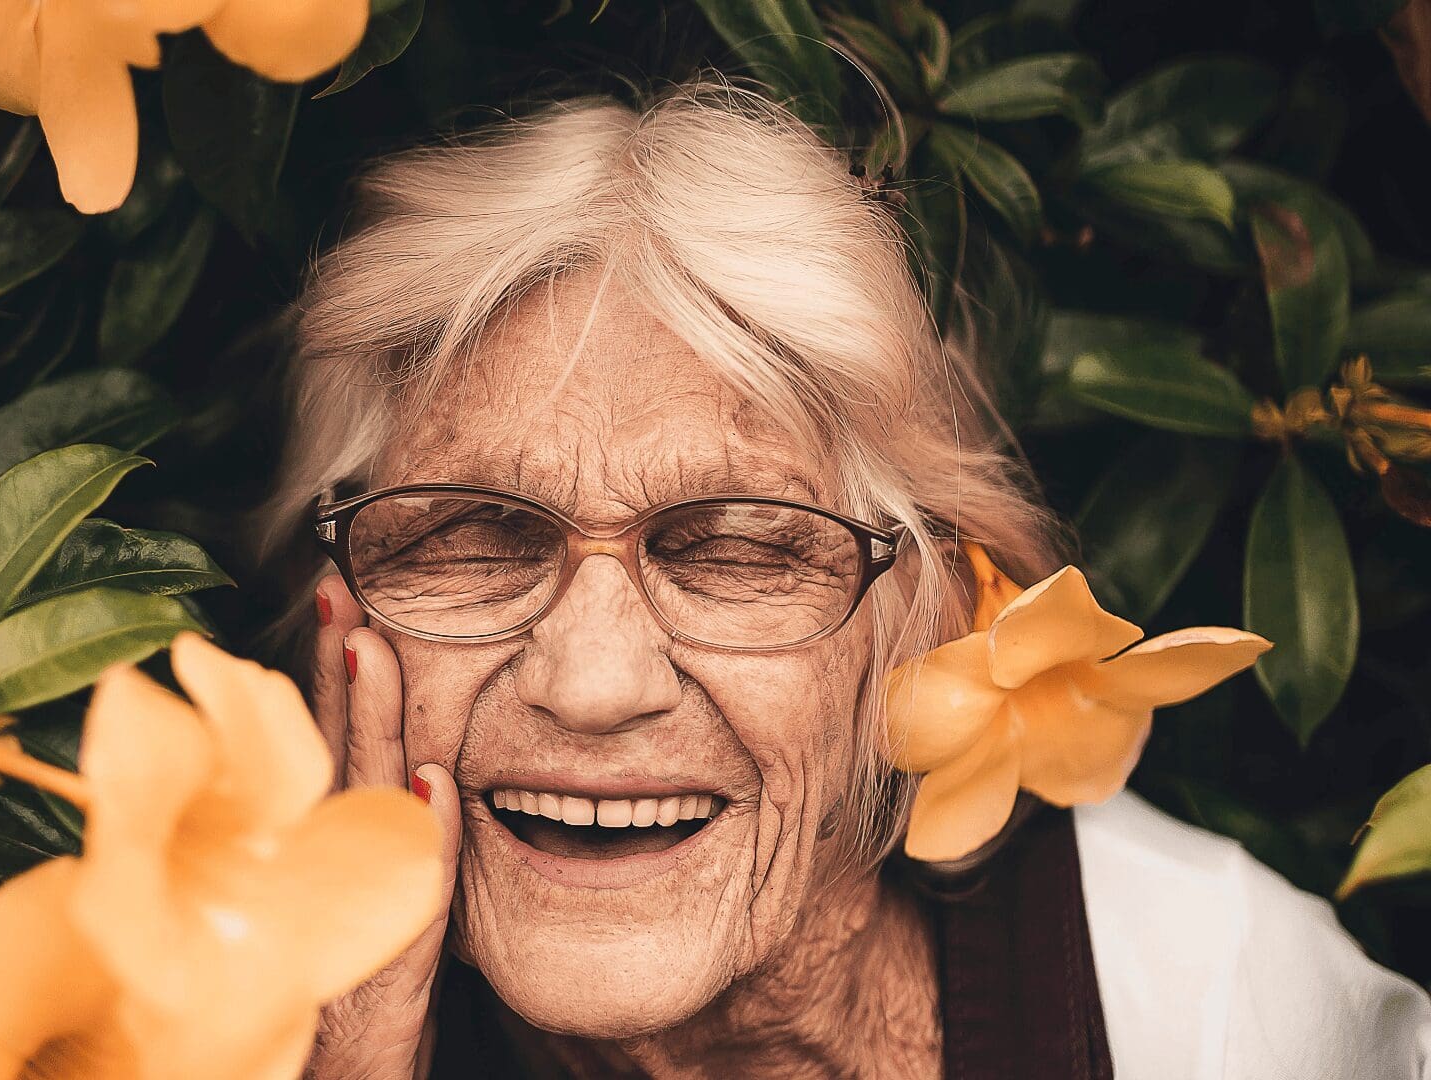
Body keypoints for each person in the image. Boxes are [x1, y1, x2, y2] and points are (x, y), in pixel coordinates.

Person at [260, 81, 1431, 1078]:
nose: (591, 682)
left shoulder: (1217, 1010)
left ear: (923, 619)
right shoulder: (180, 1005)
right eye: (476, 537)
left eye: (739, 547)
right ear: (345, 615)